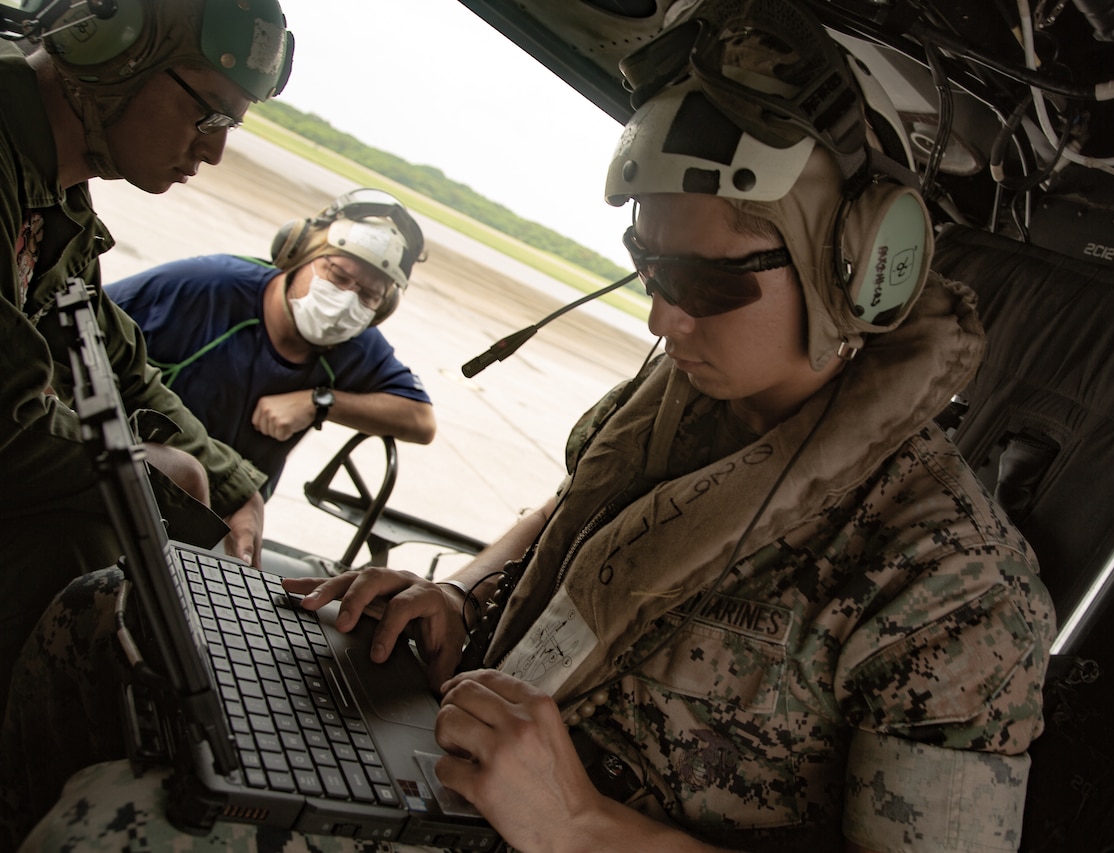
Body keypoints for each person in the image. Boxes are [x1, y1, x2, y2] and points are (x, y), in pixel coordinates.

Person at [1, 2, 1055, 851]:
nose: (660, 315)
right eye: (648, 269)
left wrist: (585, 825)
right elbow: (569, 515)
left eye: (699, 279)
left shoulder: (949, 587)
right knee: (111, 614)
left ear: (860, 268)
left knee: (130, 823)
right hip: (447, 754)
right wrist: (458, 596)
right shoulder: (677, 407)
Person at [0, 0, 293, 711]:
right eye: (210, 115)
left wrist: (231, 484)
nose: (215, 151)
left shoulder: (53, 199)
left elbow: (117, 361)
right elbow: (7, 431)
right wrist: (156, 477)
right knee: (88, 540)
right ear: (111, 47)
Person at [106, 189, 437, 499]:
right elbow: (82, 311)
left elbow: (421, 421)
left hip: (231, 508)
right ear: (300, 254)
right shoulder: (203, 286)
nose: (347, 299)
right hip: (129, 480)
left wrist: (319, 401)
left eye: (369, 295)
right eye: (337, 275)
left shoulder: (357, 344)